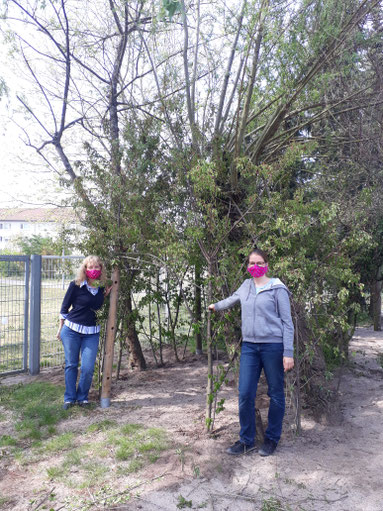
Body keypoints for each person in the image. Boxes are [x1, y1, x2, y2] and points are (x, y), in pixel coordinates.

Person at [208, 248, 294, 456]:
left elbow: (287, 322)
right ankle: (246, 440)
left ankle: (271, 439)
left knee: (276, 393)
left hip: (273, 347)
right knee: (245, 393)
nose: (255, 267)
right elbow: (231, 300)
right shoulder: (246, 286)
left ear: (266, 265)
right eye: (251, 263)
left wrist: (288, 352)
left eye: (259, 263)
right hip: (249, 347)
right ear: (247, 266)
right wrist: (215, 306)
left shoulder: (277, 288)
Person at [57, 255, 111, 410]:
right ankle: (69, 399)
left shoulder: (101, 288)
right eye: (90, 267)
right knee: (71, 365)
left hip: (92, 332)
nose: (93, 270)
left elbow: (96, 306)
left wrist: (105, 295)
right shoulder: (75, 285)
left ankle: (82, 398)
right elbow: (64, 308)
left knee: (87, 368)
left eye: (96, 267)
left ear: (101, 269)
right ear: (85, 269)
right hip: (71, 330)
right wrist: (60, 329)